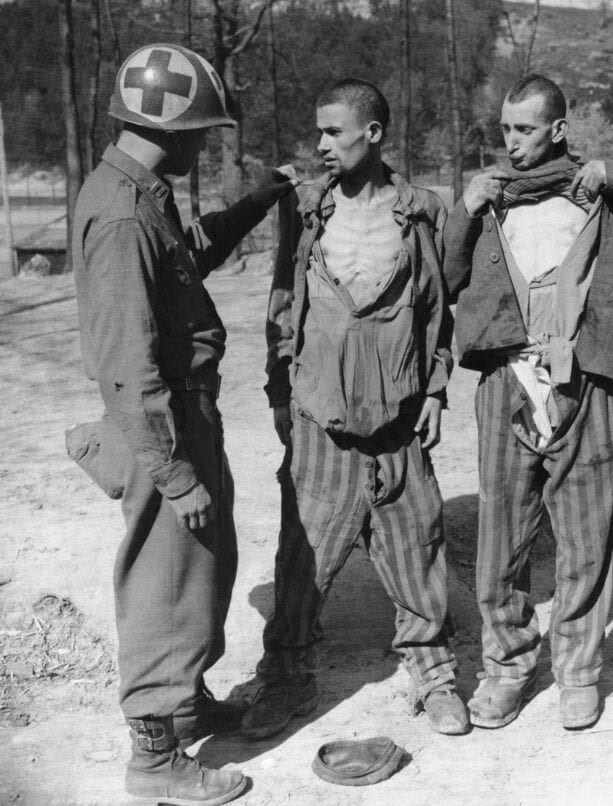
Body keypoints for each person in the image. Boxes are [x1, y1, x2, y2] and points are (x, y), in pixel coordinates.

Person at [443, 74, 613, 731]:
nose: (512, 142)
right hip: (507, 380)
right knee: (501, 535)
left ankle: (578, 674)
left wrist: (612, 173)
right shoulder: (494, 199)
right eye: (506, 129)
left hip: (586, 381)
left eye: (525, 129)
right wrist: (464, 210)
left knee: (587, 537)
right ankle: (506, 668)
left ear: (557, 129)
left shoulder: (600, 194)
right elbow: (443, 277)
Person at [72, 43, 298, 805]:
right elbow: (127, 363)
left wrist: (262, 199)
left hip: (183, 414)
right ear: (166, 129)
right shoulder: (123, 215)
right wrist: (173, 473)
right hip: (159, 424)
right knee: (164, 585)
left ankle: (186, 698)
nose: (205, 145)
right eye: (200, 131)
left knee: (202, 569)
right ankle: (156, 757)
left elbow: (190, 256)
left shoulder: (141, 192)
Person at [245, 78, 467, 739]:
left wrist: (434, 389)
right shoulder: (308, 210)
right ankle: (284, 680)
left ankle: (434, 675)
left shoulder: (421, 211)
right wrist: (279, 394)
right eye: (319, 131)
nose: (321, 144)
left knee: (417, 544)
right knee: (302, 556)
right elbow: (282, 305)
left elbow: (435, 310)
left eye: (333, 132)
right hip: (320, 416)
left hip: (398, 415)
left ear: (372, 134)